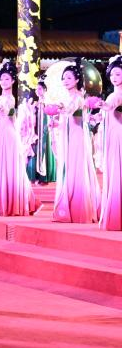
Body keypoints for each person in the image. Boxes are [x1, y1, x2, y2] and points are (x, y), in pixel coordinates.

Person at [0, 62, 40, 217]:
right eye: (1, 79)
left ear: (12, 81)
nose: (3, 82)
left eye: (7, 79)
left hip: (9, 135)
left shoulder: (10, 98)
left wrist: (0, 110)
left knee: (11, 168)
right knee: (1, 166)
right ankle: (2, 202)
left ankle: (15, 202)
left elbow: (7, 111)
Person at [51, 61, 99, 223]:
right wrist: (55, 122)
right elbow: (65, 118)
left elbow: (71, 109)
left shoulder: (79, 97)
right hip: (67, 136)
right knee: (67, 167)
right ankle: (67, 206)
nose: (65, 81)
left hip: (77, 137)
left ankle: (79, 208)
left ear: (77, 80)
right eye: (64, 78)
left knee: (76, 168)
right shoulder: (66, 98)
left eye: (69, 78)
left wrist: (61, 108)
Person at [100, 56, 122, 230]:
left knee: (117, 169)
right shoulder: (112, 95)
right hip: (112, 133)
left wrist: (103, 105)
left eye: (118, 74)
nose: (114, 77)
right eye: (112, 74)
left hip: (118, 135)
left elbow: (111, 106)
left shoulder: (116, 96)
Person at [27, 77, 57, 185]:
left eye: (39, 89)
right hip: (36, 130)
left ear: (45, 90)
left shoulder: (48, 102)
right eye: (36, 89)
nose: (37, 91)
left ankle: (45, 176)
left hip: (45, 130)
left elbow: (52, 116)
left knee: (44, 150)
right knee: (35, 150)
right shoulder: (35, 103)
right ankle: (34, 175)